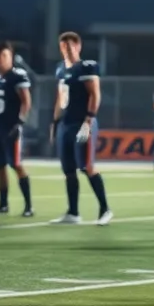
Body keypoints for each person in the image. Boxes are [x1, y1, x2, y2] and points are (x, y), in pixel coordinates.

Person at [50, 32, 110, 225]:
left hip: (82, 123)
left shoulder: (86, 67)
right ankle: (73, 212)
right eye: (63, 46)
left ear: (78, 47)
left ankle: (105, 209)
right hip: (65, 124)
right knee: (68, 169)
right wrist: (55, 121)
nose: (66, 50)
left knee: (86, 166)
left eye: (70, 46)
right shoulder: (60, 69)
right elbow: (60, 97)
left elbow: (95, 94)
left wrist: (89, 120)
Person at [0, 41, 34, 216]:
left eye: (5, 56)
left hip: (11, 128)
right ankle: (3, 204)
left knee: (16, 164)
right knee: (0, 166)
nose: (2, 60)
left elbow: (26, 101)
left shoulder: (18, 75)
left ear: (10, 57)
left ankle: (28, 206)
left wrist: (20, 122)